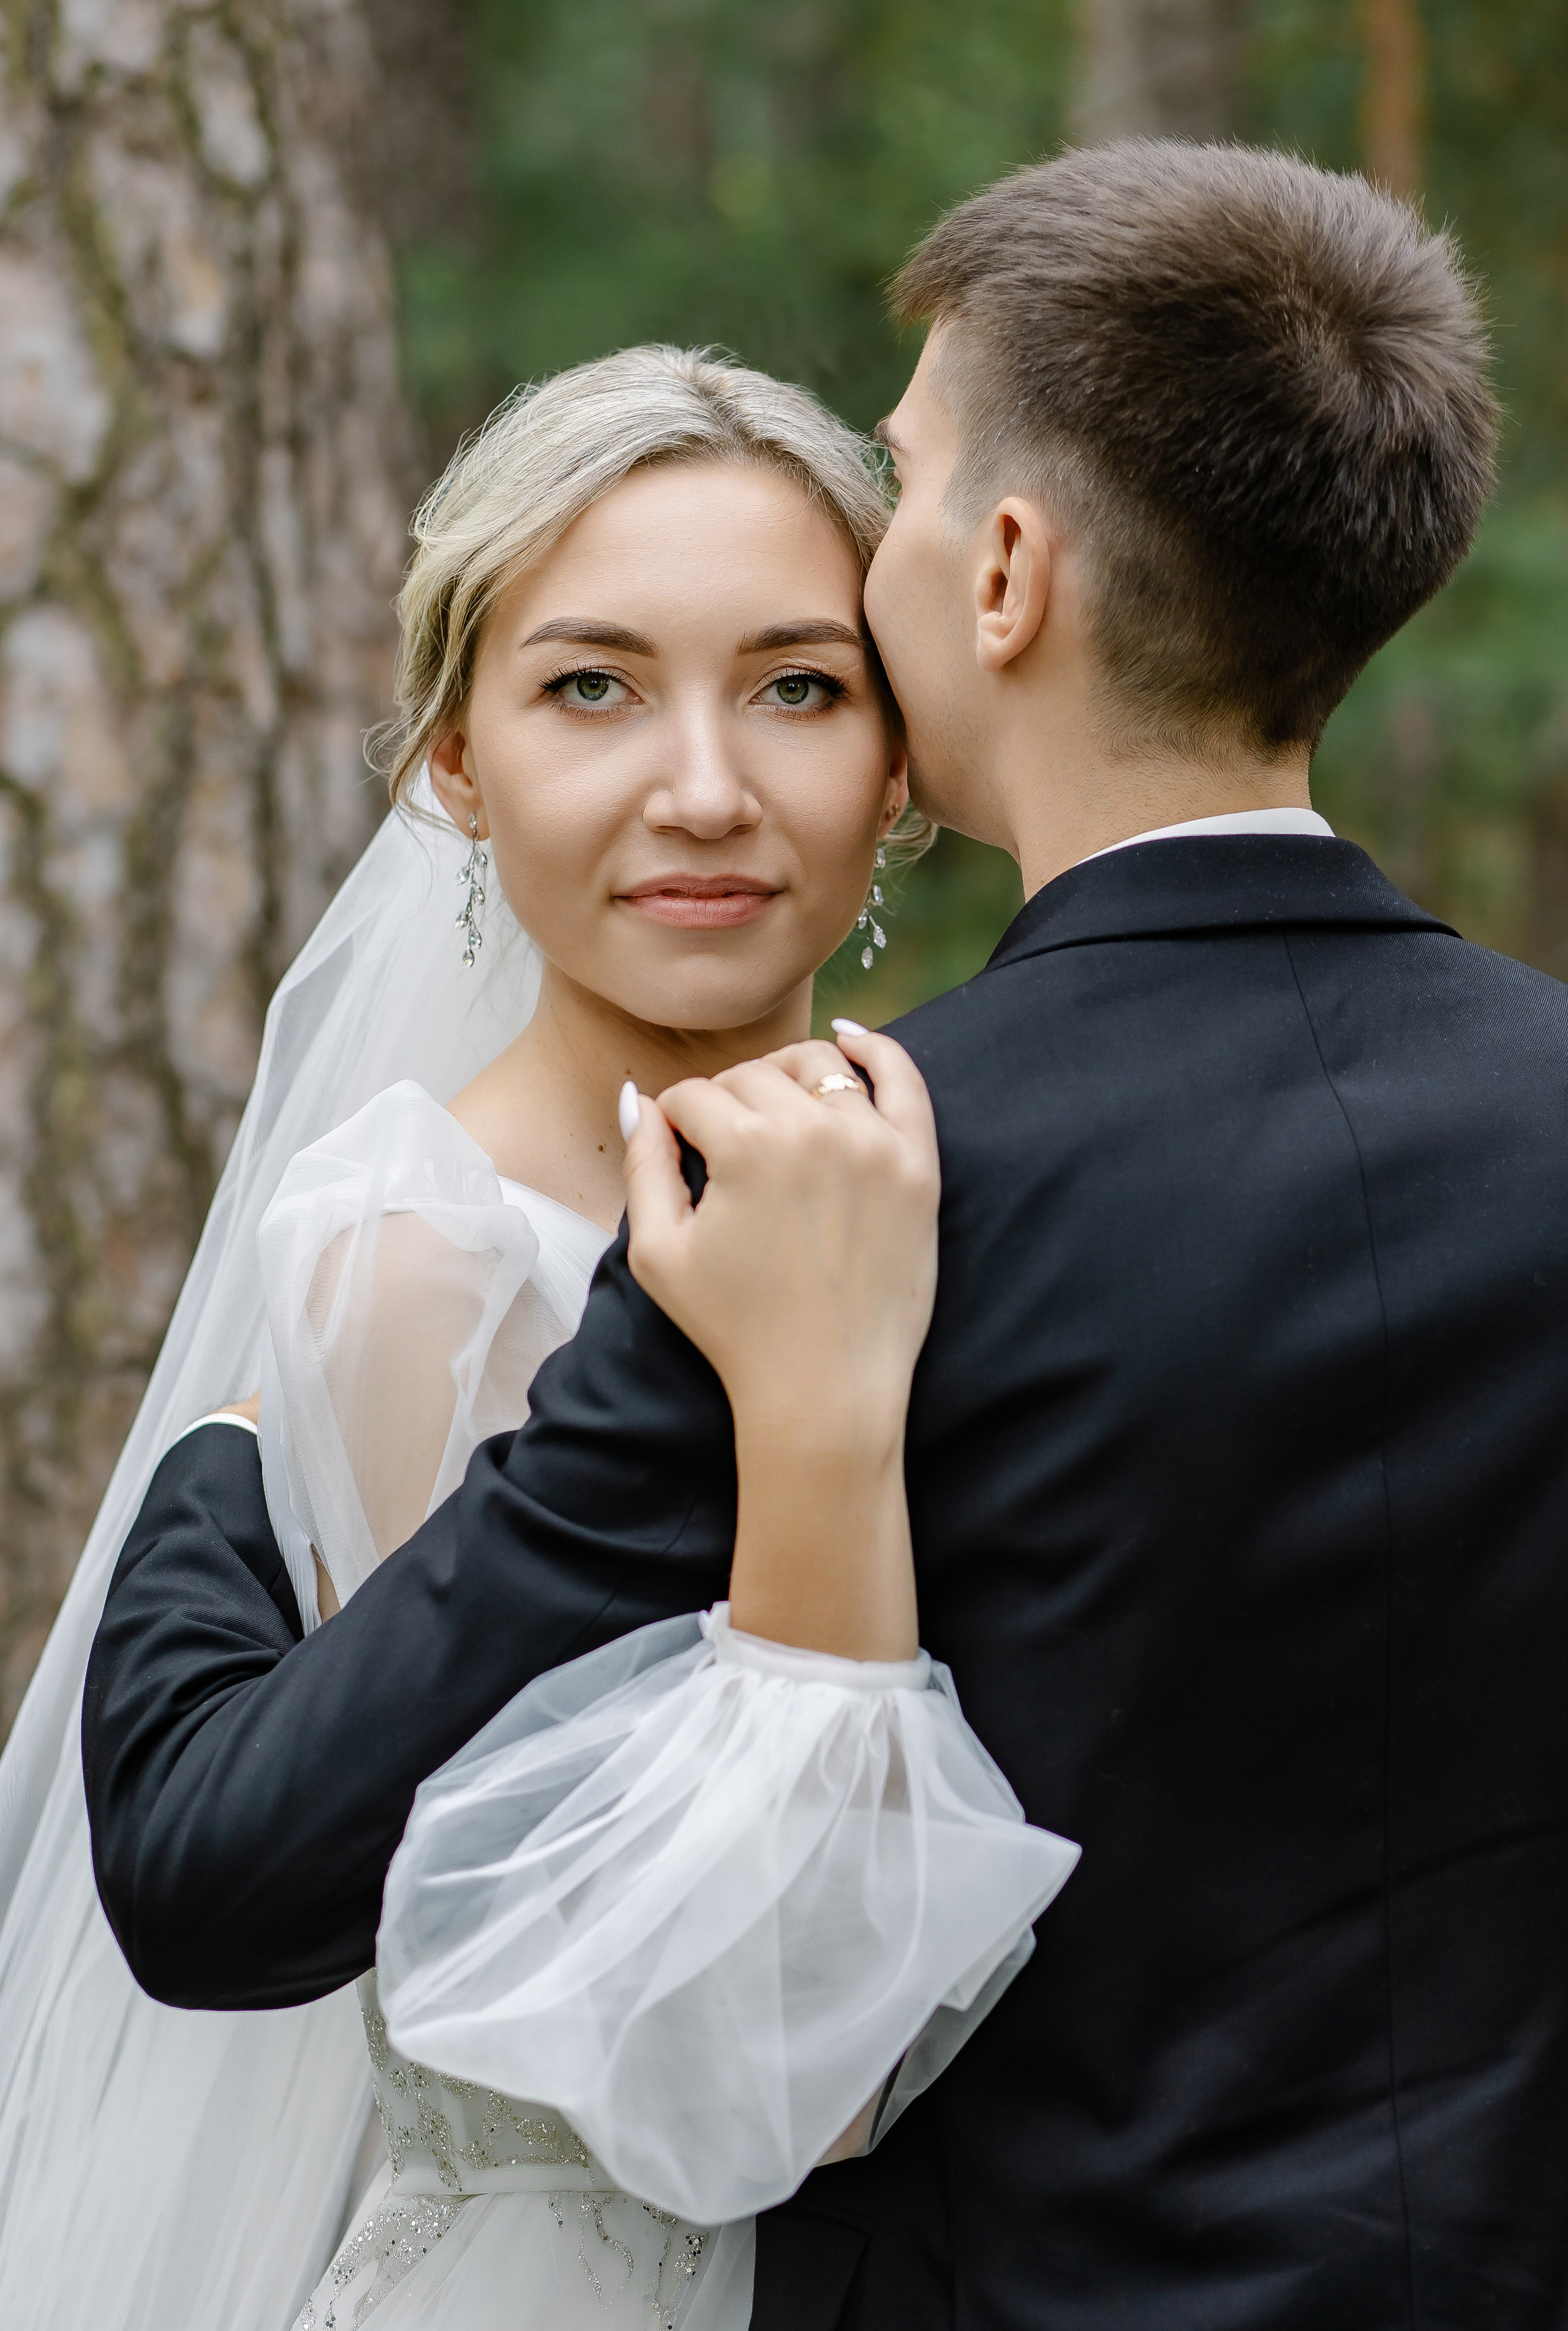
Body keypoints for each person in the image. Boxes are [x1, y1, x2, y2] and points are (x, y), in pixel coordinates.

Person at [81, 137, 1568, 2330]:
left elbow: (227, 1878)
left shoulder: (814, 1190)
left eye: (904, 486)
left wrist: (216, 1452)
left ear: (1002, 580)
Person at [0, 347, 1072, 2331]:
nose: (704, 788)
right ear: (454, 760)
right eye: (593, 685)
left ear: (902, 752)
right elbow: (767, 2054)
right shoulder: (423, 1255)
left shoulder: (965, 1165)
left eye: (798, 686)